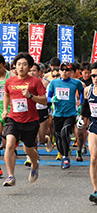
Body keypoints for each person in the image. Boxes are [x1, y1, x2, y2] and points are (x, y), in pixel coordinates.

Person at [2, 52, 47, 186]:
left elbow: (45, 100)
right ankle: (11, 176)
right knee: (9, 144)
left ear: (29, 67)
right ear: (14, 66)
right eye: (18, 64)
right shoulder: (9, 81)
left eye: (24, 64)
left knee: (28, 149)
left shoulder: (35, 82)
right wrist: (5, 109)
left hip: (30, 120)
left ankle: (34, 164)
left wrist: (31, 96)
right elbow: (6, 95)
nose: (21, 67)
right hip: (13, 118)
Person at [47, 62, 84, 169]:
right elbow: (48, 97)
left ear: (71, 72)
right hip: (58, 114)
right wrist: (52, 100)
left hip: (70, 114)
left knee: (64, 133)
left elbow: (82, 92)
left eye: (67, 70)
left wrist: (81, 104)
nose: (64, 72)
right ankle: (63, 154)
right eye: (62, 69)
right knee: (58, 137)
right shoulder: (54, 83)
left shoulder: (76, 83)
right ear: (59, 71)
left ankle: (65, 157)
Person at [79, 62, 97, 203]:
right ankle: (96, 190)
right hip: (94, 127)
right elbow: (86, 108)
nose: (95, 78)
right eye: (93, 76)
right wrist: (81, 118)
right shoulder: (88, 90)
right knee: (93, 158)